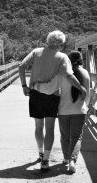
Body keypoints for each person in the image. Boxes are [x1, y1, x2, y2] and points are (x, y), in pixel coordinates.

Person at [19, 30, 86, 171]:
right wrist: (81, 88)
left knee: (38, 126)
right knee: (49, 128)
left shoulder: (36, 52)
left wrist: (24, 86)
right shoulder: (62, 57)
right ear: (61, 44)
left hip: (35, 93)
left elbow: (21, 66)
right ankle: (45, 160)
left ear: (48, 40)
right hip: (52, 96)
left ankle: (40, 152)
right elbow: (69, 76)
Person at [58, 50, 90, 174]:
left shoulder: (62, 72)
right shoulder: (85, 73)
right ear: (81, 61)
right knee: (77, 137)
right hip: (79, 110)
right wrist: (85, 107)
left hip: (63, 110)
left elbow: (57, 91)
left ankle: (66, 158)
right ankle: (72, 161)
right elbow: (87, 93)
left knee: (65, 136)